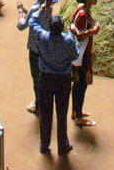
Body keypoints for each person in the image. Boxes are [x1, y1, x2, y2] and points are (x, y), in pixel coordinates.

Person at [24, 9, 78, 156]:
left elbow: (33, 22)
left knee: (45, 113)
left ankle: (44, 144)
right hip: (63, 80)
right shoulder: (68, 40)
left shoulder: (42, 37)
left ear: (49, 27)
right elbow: (75, 55)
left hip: (46, 78)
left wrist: (43, 8)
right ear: (62, 28)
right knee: (62, 113)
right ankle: (62, 145)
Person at [17, 0, 55, 114]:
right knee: (45, 77)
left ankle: (39, 106)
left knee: (36, 78)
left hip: (35, 49)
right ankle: (45, 103)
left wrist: (21, 10)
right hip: (46, 47)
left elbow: (21, 26)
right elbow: (39, 13)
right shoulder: (49, 6)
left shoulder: (35, 9)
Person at [70, 0, 100, 127]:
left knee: (79, 85)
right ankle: (78, 116)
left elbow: (72, 26)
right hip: (81, 55)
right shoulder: (82, 14)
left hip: (81, 53)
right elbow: (80, 36)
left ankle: (77, 112)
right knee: (80, 85)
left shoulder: (82, 9)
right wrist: (94, 30)